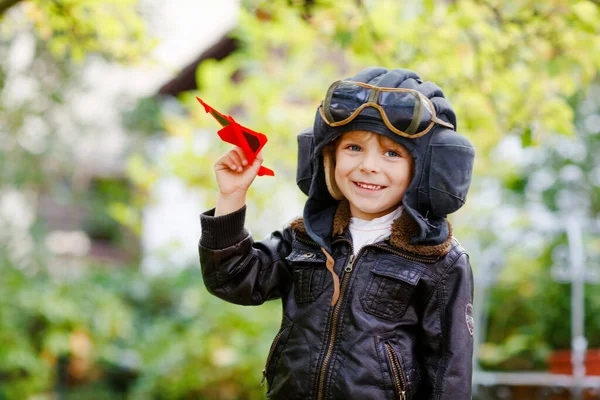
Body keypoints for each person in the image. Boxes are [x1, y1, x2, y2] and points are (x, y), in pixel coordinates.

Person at [199, 67, 476, 400]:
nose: (369, 166)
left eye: (392, 153)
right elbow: (231, 279)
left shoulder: (439, 260)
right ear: (328, 157)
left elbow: (450, 374)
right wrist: (231, 195)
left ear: (421, 169)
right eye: (354, 148)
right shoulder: (306, 238)